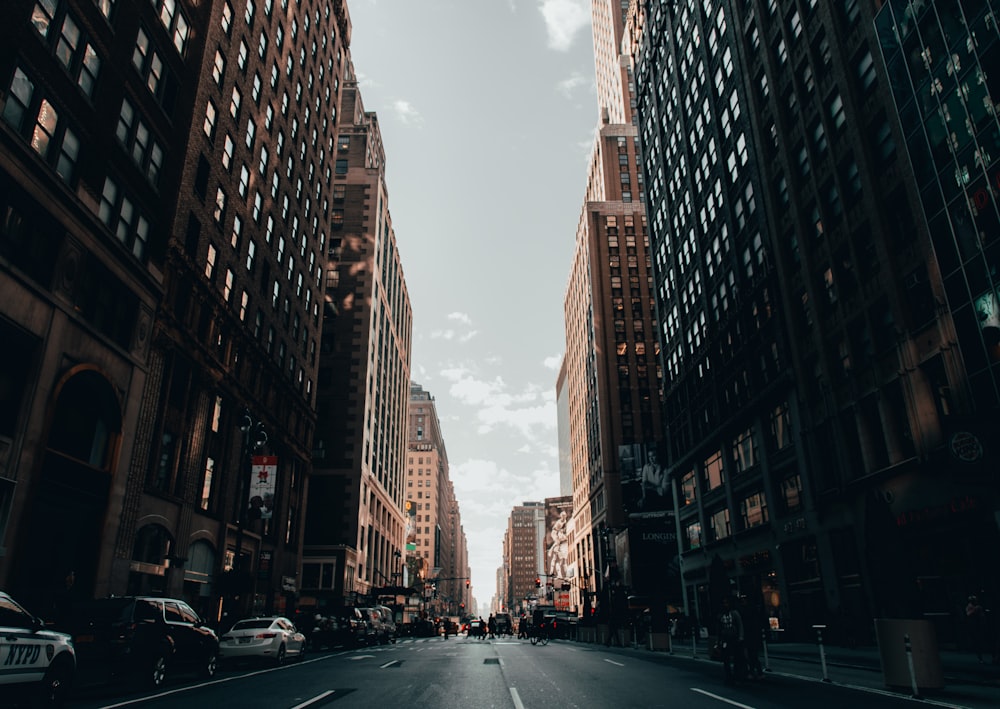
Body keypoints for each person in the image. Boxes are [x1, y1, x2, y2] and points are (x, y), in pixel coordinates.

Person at [717, 595, 745, 684]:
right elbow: (719, 628)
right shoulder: (721, 615)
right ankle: (729, 676)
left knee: (737, 658)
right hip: (725, 638)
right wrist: (719, 640)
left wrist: (741, 637)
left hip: (734, 638)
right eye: (724, 603)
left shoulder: (734, 613)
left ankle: (738, 675)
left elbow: (740, 625)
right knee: (726, 658)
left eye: (727, 603)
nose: (726, 605)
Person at [739, 595, 764, 679]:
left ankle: (755, 672)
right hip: (748, 636)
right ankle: (754, 672)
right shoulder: (747, 610)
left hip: (750, 636)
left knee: (752, 655)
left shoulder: (747, 611)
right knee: (750, 655)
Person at [966, 595, 987, 663]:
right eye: (974, 600)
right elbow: (968, 614)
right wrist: (975, 609)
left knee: (980, 640)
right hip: (973, 626)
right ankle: (979, 656)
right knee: (977, 641)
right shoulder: (969, 606)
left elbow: (982, 616)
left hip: (979, 625)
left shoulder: (978, 607)